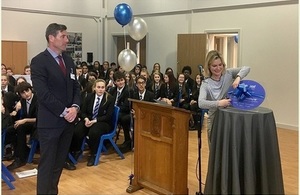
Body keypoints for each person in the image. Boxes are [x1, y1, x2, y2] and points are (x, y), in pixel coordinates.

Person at [31, 23, 81, 194]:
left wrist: (75, 107)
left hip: (68, 123)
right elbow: (43, 94)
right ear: (51, 38)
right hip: (50, 123)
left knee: (58, 164)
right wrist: (64, 111)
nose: (67, 40)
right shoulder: (39, 61)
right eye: (63, 36)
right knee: (47, 165)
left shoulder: (68, 60)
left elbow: (76, 87)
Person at [198, 50, 250, 146]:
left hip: (230, 118)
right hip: (215, 120)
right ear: (208, 66)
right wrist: (219, 103)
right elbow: (201, 103)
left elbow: (247, 68)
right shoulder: (206, 83)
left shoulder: (229, 74)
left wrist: (238, 78)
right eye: (214, 66)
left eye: (220, 65)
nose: (218, 68)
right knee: (215, 148)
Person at [70, 79, 114, 166]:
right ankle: (77, 150)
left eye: (102, 87)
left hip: (102, 122)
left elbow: (108, 116)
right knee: (77, 130)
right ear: (94, 88)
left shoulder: (109, 99)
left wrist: (95, 121)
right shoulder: (89, 97)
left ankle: (93, 154)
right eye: (98, 87)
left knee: (93, 132)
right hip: (89, 120)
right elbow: (82, 112)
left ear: (105, 88)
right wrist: (86, 119)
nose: (100, 89)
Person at [6, 82, 38, 171]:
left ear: (31, 89)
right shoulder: (22, 100)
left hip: (38, 124)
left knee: (20, 127)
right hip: (28, 123)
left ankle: (20, 158)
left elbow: (40, 118)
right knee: (10, 130)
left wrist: (25, 120)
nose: (26, 94)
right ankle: (23, 150)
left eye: (27, 91)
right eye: (23, 93)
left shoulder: (38, 99)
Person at [109, 71, 131, 153]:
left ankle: (127, 140)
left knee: (123, 118)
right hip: (114, 111)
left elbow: (126, 107)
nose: (120, 82)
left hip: (125, 112)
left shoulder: (128, 91)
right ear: (114, 82)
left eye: (122, 80)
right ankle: (108, 140)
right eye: (118, 81)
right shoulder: (112, 90)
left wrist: (115, 110)